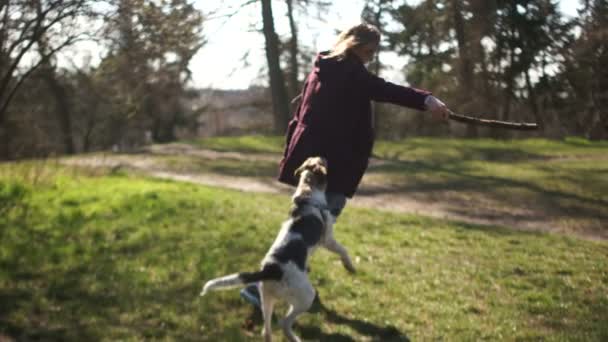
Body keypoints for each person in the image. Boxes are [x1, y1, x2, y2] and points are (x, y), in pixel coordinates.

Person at [240, 22, 451, 307]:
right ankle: (263, 286)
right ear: (355, 45)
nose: (372, 57)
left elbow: (299, 111)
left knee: (305, 228)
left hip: (316, 164)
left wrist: (296, 149)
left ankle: (283, 283)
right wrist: (427, 100)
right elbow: (387, 90)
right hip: (334, 167)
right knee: (309, 230)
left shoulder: (323, 67)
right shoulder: (350, 72)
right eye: (370, 50)